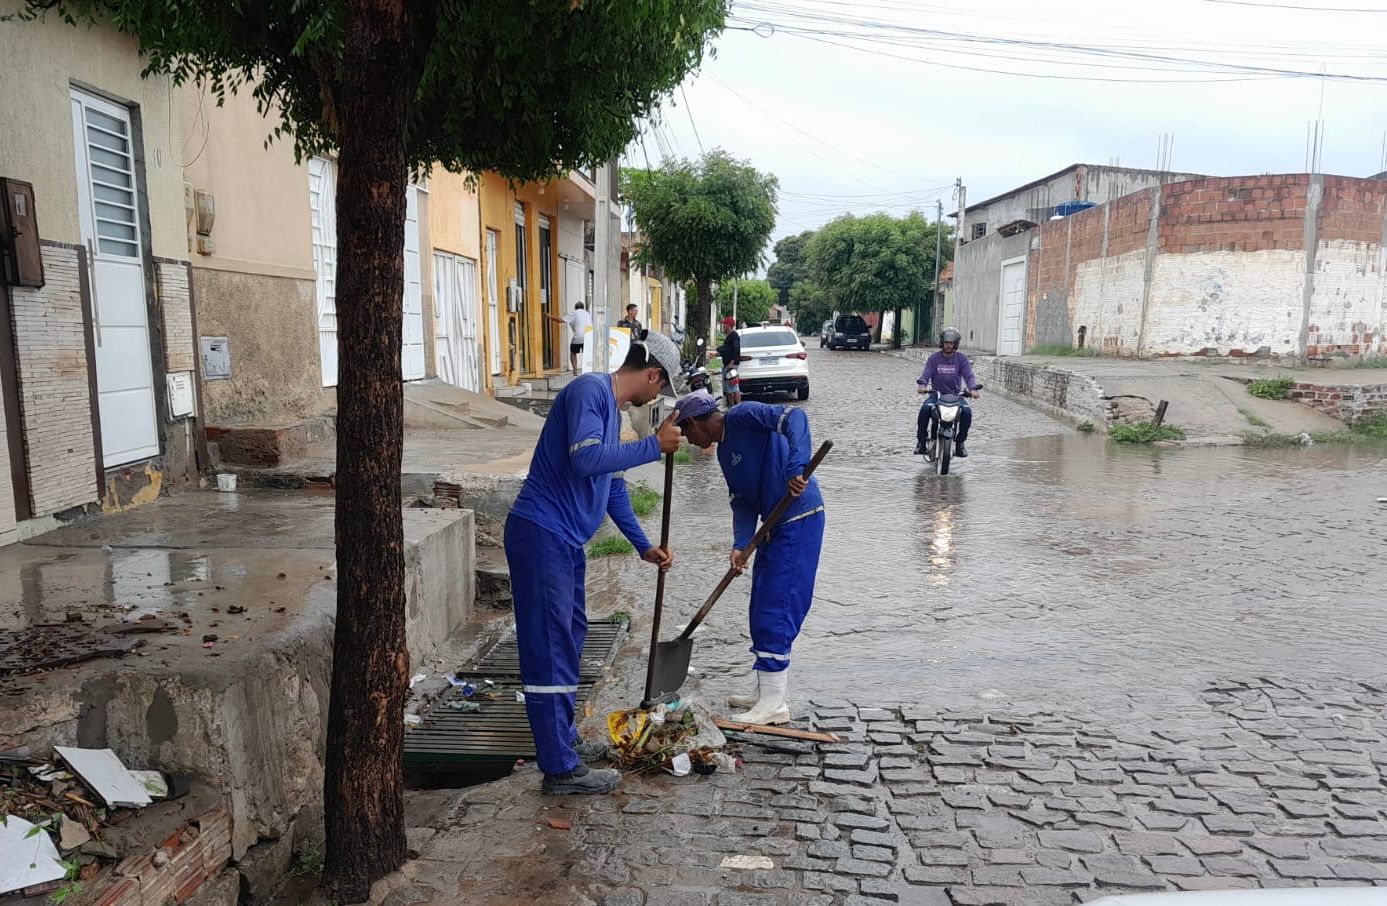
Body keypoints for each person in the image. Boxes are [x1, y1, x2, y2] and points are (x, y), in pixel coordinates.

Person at [505, 332, 685, 795]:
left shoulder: (612, 414)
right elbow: (586, 461)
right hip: (542, 534)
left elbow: (613, 487)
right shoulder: (589, 391)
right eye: (661, 390)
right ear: (651, 374)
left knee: (570, 639)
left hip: (564, 542)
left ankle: (563, 741)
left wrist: (643, 546)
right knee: (549, 649)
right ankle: (560, 769)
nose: (656, 400)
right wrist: (654, 446)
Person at [674, 390, 825, 726]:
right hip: (771, 527)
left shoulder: (743, 415)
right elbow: (741, 501)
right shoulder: (725, 453)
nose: (687, 439)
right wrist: (741, 544)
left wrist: (796, 466)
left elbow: (793, 418)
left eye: (687, 431)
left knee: (778, 605)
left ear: (697, 422)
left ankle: (774, 704)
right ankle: (769, 690)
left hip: (798, 519)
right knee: (759, 606)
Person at [916, 327, 982, 458]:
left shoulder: (961, 359)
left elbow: (969, 376)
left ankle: (960, 443)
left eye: (951, 343)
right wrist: (922, 385)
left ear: (955, 344)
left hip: (956, 396)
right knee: (924, 410)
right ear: (942, 343)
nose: (948, 346)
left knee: (967, 412)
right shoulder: (933, 359)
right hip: (937, 395)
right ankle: (921, 442)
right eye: (946, 343)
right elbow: (926, 374)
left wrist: (973, 389)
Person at [545, 302, 592, 374]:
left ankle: (575, 370)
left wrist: (549, 316)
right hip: (588, 336)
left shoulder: (574, 313)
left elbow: (560, 320)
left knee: (573, 353)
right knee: (587, 354)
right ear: (583, 308)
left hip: (578, 337)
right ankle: (587, 370)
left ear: (575, 308)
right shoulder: (587, 313)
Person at [718, 319, 743, 407]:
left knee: (733, 386)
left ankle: (738, 407)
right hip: (727, 364)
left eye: (724, 325)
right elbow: (726, 349)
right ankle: (731, 407)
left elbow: (736, 351)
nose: (723, 326)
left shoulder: (734, 336)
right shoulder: (730, 336)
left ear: (728, 325)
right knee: (729, 387)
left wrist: (731, 363)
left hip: (732, 365)